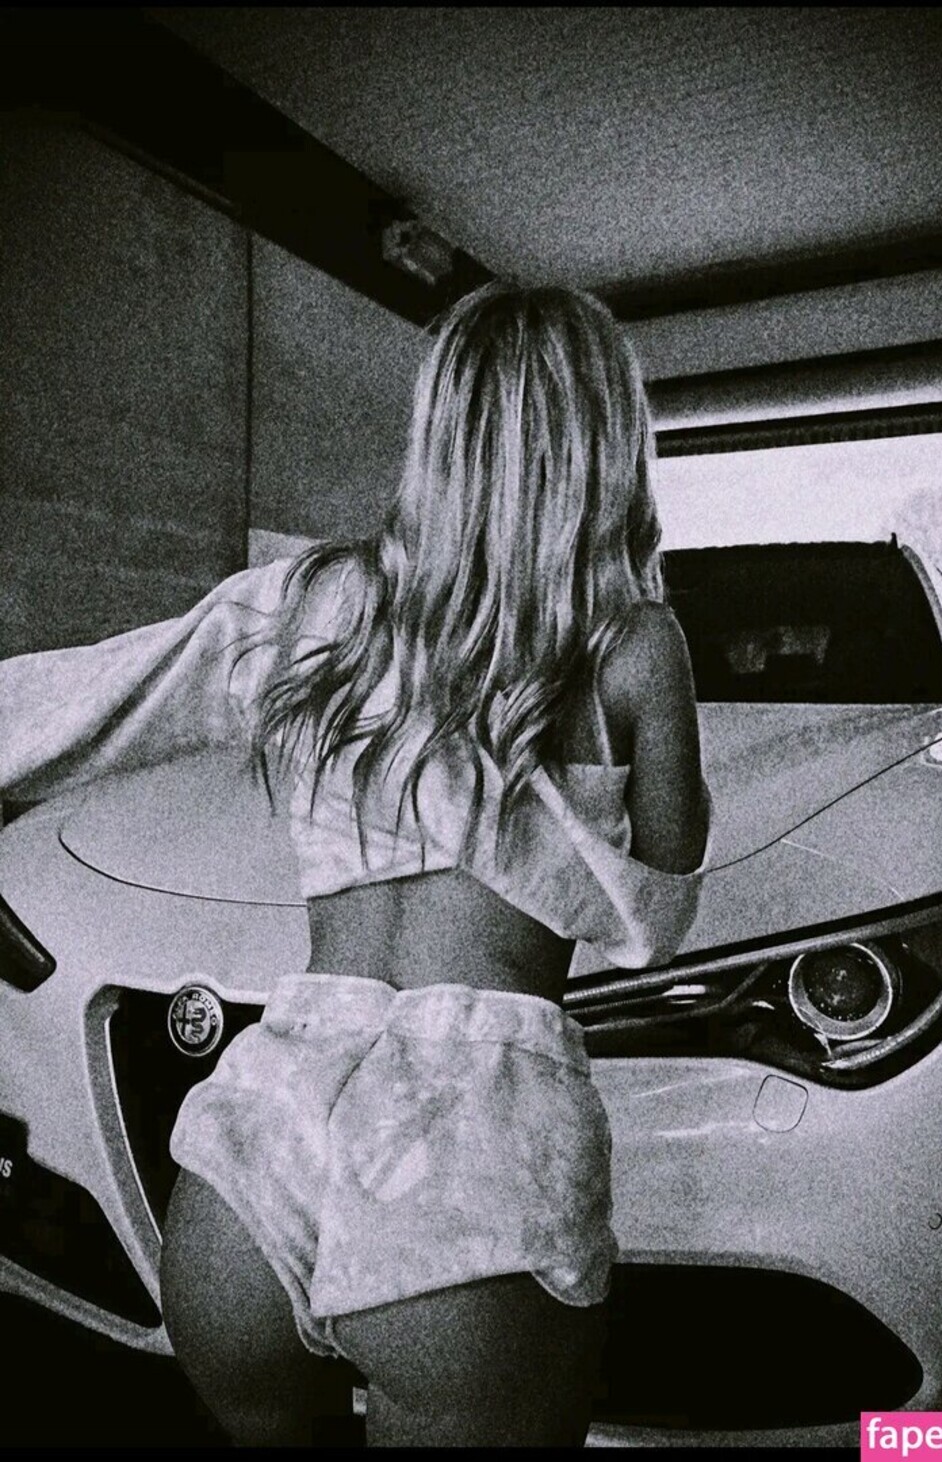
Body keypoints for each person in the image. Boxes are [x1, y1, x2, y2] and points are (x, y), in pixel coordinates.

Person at [0, 283, 710, 1446]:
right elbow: (662, 905)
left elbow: (80, 701)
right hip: (473, 1146)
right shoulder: (631, 641)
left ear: (439, 430)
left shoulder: (313, 602)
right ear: (606, 440)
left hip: (267, 1119)